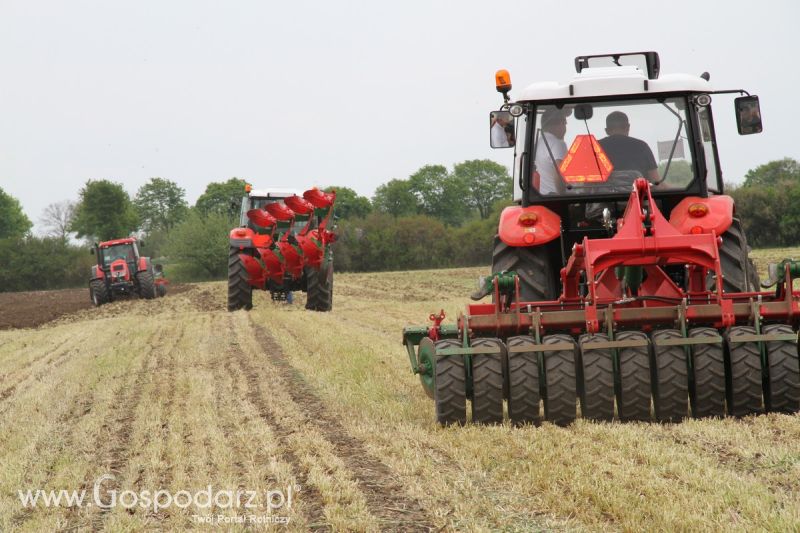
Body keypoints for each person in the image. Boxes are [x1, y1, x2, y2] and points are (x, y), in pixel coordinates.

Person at [598, 111, 659, 182]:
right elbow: (656, 183)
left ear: (606, 130)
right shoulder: (642, 146)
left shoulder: (595, 148)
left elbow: (587, 187)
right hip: (638, 193)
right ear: (628, 127)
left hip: (603, 193)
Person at [533, 108, 569, 194]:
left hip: (543, 196)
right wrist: (563, 197)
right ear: (561, 124)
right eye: (565, 124)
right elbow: (559, 174)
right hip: (556, 196)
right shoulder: (557, 144)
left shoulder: (538, 143)